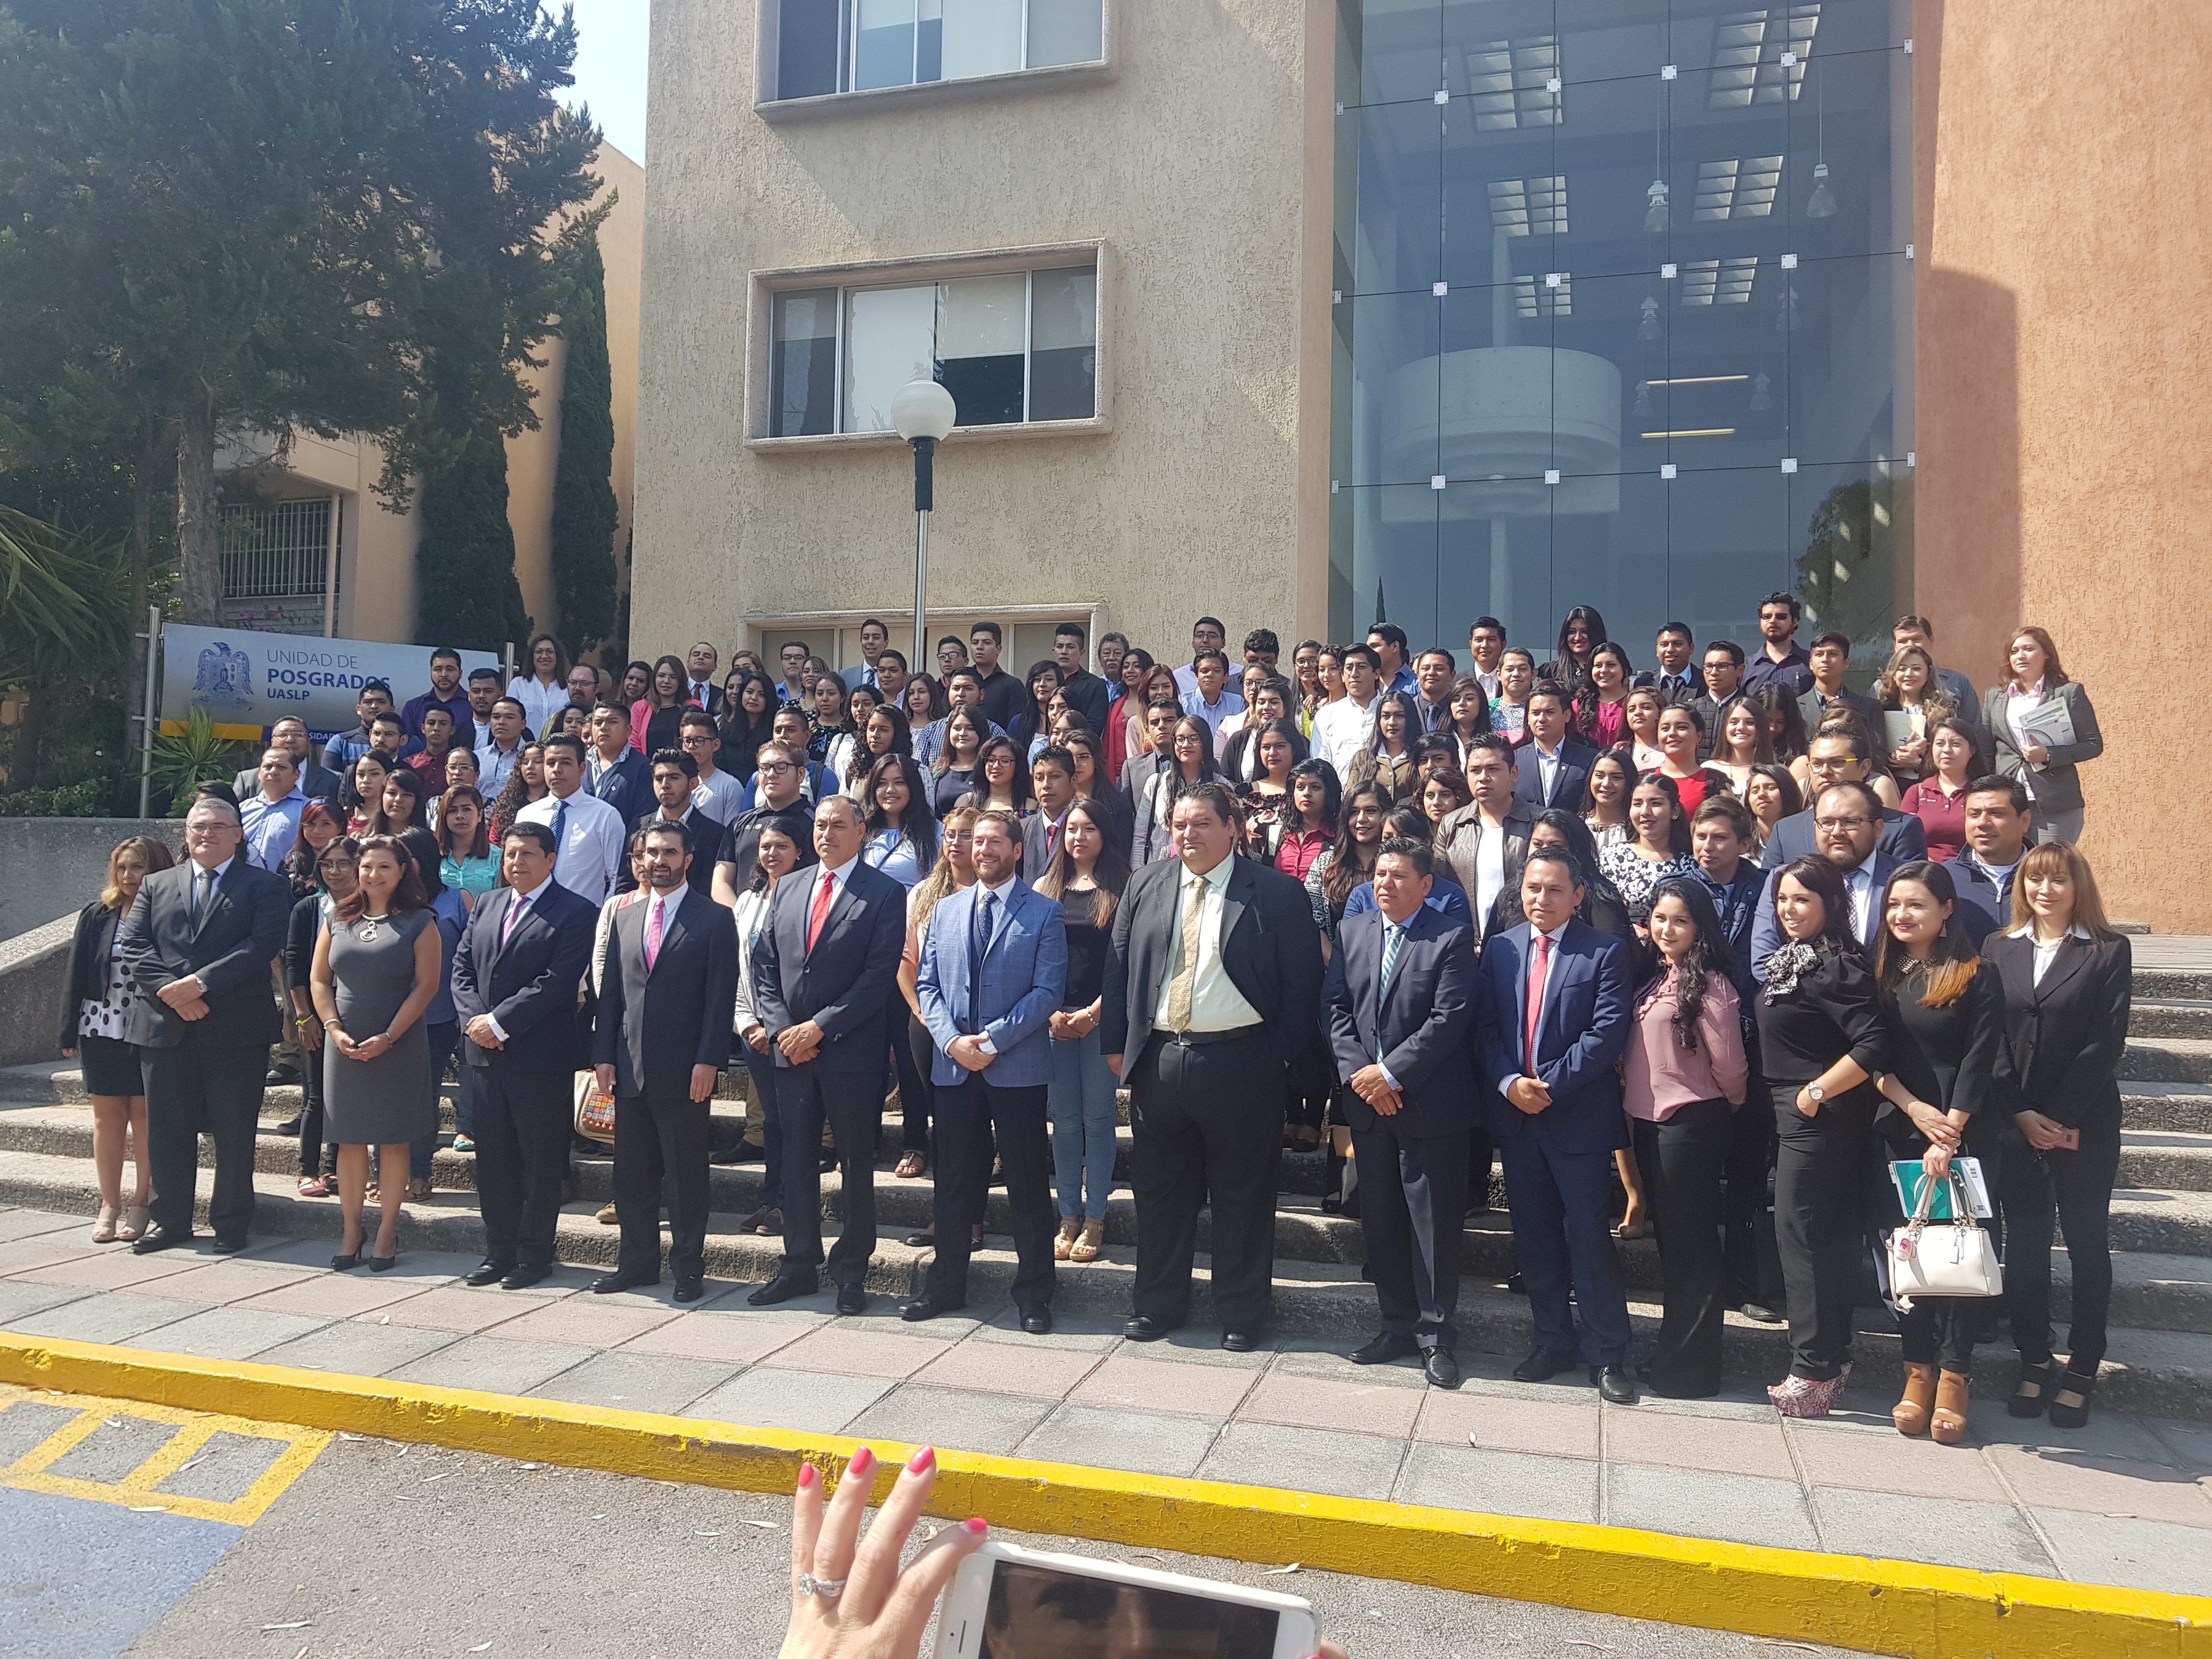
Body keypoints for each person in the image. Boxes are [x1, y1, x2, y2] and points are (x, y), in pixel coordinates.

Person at [1102, 781, 1323, 1348]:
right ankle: (1157, 1304)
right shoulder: (1147, 884)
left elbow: (1303, 988)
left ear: (1234, 828)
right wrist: (1116, 1046)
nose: (1188, 834)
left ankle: (1243, 1311)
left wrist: (1278, 1057)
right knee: (1159, 1192)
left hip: (1243, 1061)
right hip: (1161, 1059)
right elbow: (1119, 968)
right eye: (1179, 824)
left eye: (1201, 823)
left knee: (1243, 1195)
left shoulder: (1276, 894)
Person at [1473, 846, 1638, 1402]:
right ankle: (1551, 1340)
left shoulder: (1605, 953)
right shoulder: (1501, 949)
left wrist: (1548, 1085)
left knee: (1589, 1237)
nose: (1541, 899)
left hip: (1577, 1118)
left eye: (1553, 890)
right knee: (1535, 1236)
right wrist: (1508, 1084)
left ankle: (1608, 1352)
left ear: (1578, 896)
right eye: (1532, 888)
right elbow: (1486, 1028)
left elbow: (1606, 1034)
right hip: (1518, 1118)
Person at [904, 809, 1068, 1330]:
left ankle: (1036, 1292)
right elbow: (926, 985)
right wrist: (952, 1042)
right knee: (952, 1182)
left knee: (1025, 1183)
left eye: (996, 841)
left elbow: (1048, 993)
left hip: (1016, 1066)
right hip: (954, 1068)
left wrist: (993, 1040)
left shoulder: (1044, 913)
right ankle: (946, 1285)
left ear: (1018, 851)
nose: (984, 850)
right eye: (978, 842)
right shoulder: (946, 910)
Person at [1324, 836, 1477, 1387]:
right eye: (1379, 875)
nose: (1384, 884)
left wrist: (1391, 1075)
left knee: (1431, 1225)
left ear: (1425, 885)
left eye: (1397, 877)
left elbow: (1449, 1018)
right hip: (1369, 1106)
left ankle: (1436, 1336)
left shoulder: (1452, 938)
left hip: (1429, 1105)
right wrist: (1361, 1076)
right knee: (1382, 1219)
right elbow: (1336, 1009)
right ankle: (1394, 1323)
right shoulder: (1353, 931)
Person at [748, 794, 909, 1315]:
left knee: (855, 1165)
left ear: (861, 831)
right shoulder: (789, 885)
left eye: (838, 825)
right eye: (819, 825)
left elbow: (877, 976)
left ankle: (851, 1272)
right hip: (790, 1054)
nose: (826, 834)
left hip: (850, 1052)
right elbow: (764, 965)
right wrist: (782, 1030)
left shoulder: (883, 893)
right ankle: (797, 1265)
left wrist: (818, 1027)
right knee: (794, 1161)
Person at [1990, 842, 2131, 1431]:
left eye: (2058, 881)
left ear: (2079, 888)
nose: (2045, 891)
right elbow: (1989, 1036)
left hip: (2084, 1123)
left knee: (2085, 1243)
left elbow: (2107, 1042)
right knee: (2022, 1248)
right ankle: (2034, 1356)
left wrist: (2059, 1119)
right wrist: (2021, 1114)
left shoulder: (2106, 950)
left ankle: (2083, 1366)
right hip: (2016, 1123)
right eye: (2035, 880)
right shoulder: (2000, 948)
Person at [1866, 860, 2007, 1442]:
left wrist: (1947, 1132)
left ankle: (1954, 1377)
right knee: (1913, 1259)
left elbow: (1979, 1060)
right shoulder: (1884, 974)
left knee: (1958, 1259)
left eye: (1917, 904)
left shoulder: (1977, 974)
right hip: (1900, 1130)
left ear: (1947, 909)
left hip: (1963, 1136)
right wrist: (1914, 1110)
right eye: (1895, 904)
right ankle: (1916, 1371)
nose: (1902, 915)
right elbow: (1872, 1057)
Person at [115, 799, 291, 1255]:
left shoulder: (266, 885)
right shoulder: (156, 884)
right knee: (167, 1130)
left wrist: (200, 985)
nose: (206, 835)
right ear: (186, 834)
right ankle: (169, 1220)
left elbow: (263, 945)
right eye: (198, 827)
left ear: (238, 835)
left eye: (218, 827)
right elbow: (134, 944)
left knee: (234, 1132)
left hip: (235, 1030)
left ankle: (231, 1223)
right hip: (165, 1026)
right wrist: (172, 992)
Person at [1754, 855, 1888, 1417]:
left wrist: (1816, 1093)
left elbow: (1873, 1041)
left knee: (1801, 1234)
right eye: (1783, 899)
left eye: (1802, 899)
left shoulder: (1834, 964)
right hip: (1797, 1114)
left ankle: (1813, 1372)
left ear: (1831, 904)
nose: (1789, 909)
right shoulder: (1798, 961)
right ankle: (1830, 1359)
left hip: (1819, 1116)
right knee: (1821, 1237)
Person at [589, 821, 738, 1304]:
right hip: (629, 1068)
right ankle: (636, 1265)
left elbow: (720, 999)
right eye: (651, 852)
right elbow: (610, 995)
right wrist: (603, 1058)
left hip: (685, 1070)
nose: (659, 861)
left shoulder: (714, 919)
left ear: (688, 859)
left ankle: (689, 1269)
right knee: (630, 1175)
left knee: (685, 1175)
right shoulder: (625, 916)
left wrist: (709, 1061)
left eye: (669, 852)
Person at [450, 822, 597, 1289]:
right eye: (511, 855)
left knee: (539, 1160)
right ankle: (499, 1251)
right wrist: (477, 1021)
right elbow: (461, 969)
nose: (517, 863)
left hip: (540, 1056)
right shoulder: (489, 904)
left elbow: (557, 981)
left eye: (528, 855)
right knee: (493, 1160)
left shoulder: (576, 911)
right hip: (485, 1056)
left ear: (551, 860)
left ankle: (535, 1254)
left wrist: (500, 1022)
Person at [1623, 878, 1749, 1397]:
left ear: (1699, 927)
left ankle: (1692, 1372)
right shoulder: (1658, 978)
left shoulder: (1713, 987)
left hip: (1691, 1126)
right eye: (1659, 918)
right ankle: (1674, 1356)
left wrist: (1719, 1110)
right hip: (1651, 1125)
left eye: (1679, 920)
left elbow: (1733, 1070)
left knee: (1693, 1251)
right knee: (1675, 1248)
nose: (1666, 928)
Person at [311, 834, 441, 1271]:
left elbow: (427, 986)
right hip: (343, 1043)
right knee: (348, 1138)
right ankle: (352, 1228)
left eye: (384, 867)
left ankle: (387, 1228)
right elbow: (318, 980)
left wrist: (389, 1036)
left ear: (402, 872)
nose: (373, 875)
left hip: (397, 1043)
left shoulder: (420, 921)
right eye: (366, 867)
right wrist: (332, 1027)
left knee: (392, 1138)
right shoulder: (338, 917)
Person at [1689, 794, 1780, 1323]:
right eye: (1701, 836)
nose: (1708, 846)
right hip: (1691, 1045)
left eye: (1720, 837)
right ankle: (1698, 1282)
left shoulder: (1766, 887)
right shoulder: (1679, 887)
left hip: (1753, 1042)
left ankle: (1745, 1284)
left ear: (1745, 842)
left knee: (1747, 1174)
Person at [61, 836, 174, 1242]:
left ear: (157, 869)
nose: (129, 876)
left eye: (138, 867)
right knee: (107, 1118)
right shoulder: (98, 913)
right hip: (100, 1025)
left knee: (144, 1119)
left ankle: (142, 1203)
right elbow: (76, 973)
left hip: (149, 1027)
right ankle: (109, 1203)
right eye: (123, 867)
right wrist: (66, 1028)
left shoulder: (168, 911)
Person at [1035, 799, 1127, 1266]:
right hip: (1054, 1020)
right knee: (1065, 1122)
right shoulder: (1044, 888)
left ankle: (1096, 1216)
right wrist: (1051, 1010)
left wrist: (1095, 1013)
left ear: (1104, 834)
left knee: (1099, 1120)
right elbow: (1032, 960)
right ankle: (1067, 1213)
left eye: (1089, 828)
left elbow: (1127, 963)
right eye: (1072, 829)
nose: (1079, 837)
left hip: (1100, 1019)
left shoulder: (1123, 887)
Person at [1984, 625, 2102, 846]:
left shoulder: (2067, 693)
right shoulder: (1995, 697)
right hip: (2009, 803)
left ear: (2046, 654)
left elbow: (2093, 744)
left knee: (2049, 867)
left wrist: (2049, 755)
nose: (2020, 655)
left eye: (2028, 649)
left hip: (2053, 803)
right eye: (2014, 651)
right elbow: (1987, 750)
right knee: (2014, 869)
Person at [1759, 728, 1928, 871]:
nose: (1825, 771)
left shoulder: (1900, 829)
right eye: (1817, 764)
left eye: (1837, 763)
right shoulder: (1786, 830)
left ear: (1864, 768)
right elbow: (1769, 893)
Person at [1436, 734, 1534, 939]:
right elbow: (1440, 891)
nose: (1483, 777)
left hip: (1525, 941)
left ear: (1514, 773)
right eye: (1475, 770)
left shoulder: (1539, 823)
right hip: (1466, 944)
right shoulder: (1451, 825)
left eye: (1493, 769)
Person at [517, 732, 627, 905]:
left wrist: (604, 917)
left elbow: (617, 877)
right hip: (532, 914)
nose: (557, 770)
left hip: (583, 919)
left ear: (582, 769)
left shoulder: (605, 815)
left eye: (566, 763)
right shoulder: (527, 814)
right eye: (551, 763)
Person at [614, 748, 729, 899]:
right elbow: (625, 882)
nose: (665, 785)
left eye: (673, 777)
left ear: (693, 783)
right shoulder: (638, 826)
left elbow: (707, 888)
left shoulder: (713, 833)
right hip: (639, 915)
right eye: (659, 778)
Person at [714, 739, 816, 901]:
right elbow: (721, 882)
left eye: (781, 767)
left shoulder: (818, 823)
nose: (771, 774)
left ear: (801, 774)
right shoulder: (740, 824)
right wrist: (738, 919)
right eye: (764, 768)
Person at [1601, 772, 1697, 923]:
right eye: (1638, 804)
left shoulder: (1692, 863)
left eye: (1655, 803)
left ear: (1675, 811)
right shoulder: (1611, 857)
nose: (1645, 812)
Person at [1305, 782, 1388, 953]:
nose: (1361, 819)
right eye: (1354, 812)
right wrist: (1335, 961)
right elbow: (1311, 918)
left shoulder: (1396, 865)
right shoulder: (1325, 864)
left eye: (1371, 811)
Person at [1131, 715, 1217, 866]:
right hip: (1159, 869)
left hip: (1207, 868)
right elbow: (1140, 837)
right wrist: (1138, 875)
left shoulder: (1220, 786)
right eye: (1180, 739)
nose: (1186, 744)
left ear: (1205, 742)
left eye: (1194, 738)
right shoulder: (1156, 783)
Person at [1899, 716, 1981, 864]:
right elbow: (1905, 839)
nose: (1947, 750)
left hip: (1970, 872)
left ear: (1972, 751)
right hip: (1923, 871)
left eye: (1956, 744)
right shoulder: (1917, 792)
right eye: (1940, 744)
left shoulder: (1982, 793)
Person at [1876, 644, 1959, 784]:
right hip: (1889, 787)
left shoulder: (1944, 713)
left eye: (1916, 668)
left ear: (1928, 674)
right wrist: (1895, 758)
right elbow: (1872, 752)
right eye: (1902, 668)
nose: (1909, 674)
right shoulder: (1879, 709)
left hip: (1929, 786)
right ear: (1894, 674)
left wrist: (1919, 763)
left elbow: (1953, 755)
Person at [1796, 633, 1887, 758]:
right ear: (1811, 664)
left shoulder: (1869, 707)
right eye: (1819, 654)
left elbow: (1879, 754)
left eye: (1833, 654)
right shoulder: (1795, 707)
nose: (1825, 659)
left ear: (1846, 663)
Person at [1511, 683, 1598, 812]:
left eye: (1549, 712)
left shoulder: (1589, 759)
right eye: (1535, 713)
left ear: (1567, 716)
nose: (1541, 719)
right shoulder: (1514, 759)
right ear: (1528, 718)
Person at [1892, 614, 1979, 726]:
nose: (1911, 645)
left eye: (1917, 639)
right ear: (1895, 646)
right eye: (1903, 641)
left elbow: (1974, 730)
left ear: (1931, 641)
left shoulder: (1958, 682)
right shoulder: (1881, 688)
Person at [1311, 643, 1381, 775]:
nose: (1354, 674)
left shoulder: (1391, 711)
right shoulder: (1326, 716)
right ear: (1343, 676)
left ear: (1377, 673)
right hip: (1342, 794)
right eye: (1349, 668)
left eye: (1361, 667)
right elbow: (1321, 764)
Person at [238, 716, 343, 804]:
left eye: (298, 735)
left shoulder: (333, 780)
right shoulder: (248, 780)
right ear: (272, 743)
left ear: (309, 744)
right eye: (283, 735)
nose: (290, 740)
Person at [1345, 687, 1421, 804]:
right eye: (1386, 716)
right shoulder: (1363, 758)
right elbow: (1350, 802)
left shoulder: (1421, 757)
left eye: (1399, 716)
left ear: (1410, 719)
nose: (1392, 722)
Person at [239, 747, 309, 873]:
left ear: (296, 775)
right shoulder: (242, 809)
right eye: (268, 766)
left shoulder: (308, 809)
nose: (273, 771)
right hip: (241, 885)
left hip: (284, 886)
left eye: (281, 767)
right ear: (259, 774)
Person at [1651, 703, 1727, 815]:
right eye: (1665, 728)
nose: (1672, 733)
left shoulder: (1715, 782)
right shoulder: (1645, 778)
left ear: (1699, 736)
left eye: (1681, 727)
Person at [679, 709, 747, 826]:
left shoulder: (730, 786)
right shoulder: (673, 781)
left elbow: (730, 834)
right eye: (687, 741)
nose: (691, 747)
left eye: (699, 741)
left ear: (716, 745)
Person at [436, 785, 499, 908]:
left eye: (467, 809)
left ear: (480, 815)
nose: (460, 815)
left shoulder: (497, 856)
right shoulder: (432, 855)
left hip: (483, 924)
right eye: (452, 810)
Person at [1741, 591, 1814, 699]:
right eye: (1767, 617)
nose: (1773, 621)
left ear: (1795, 622)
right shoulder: (1746, 667)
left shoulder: (1811, 664)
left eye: (1781, 617)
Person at [586, 702, 651, 821]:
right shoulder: (579, 763)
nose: (603, 727)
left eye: (612, 722)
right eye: (598, 723)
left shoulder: (643, 767)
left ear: (628, 730)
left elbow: (643, 819)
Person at [320, 680, 402, 772]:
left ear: (393, 709)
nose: (374, 706)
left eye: (381, 702)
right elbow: (327, 780)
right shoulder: (340, 742)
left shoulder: (408, 743)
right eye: (368, 702)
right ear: (358, 709)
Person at [627, 654, 697, 758]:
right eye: (661, 676)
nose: (666, 681)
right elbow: (634, 744)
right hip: (647, 770)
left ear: (681, 681)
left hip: (683, 771)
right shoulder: (640, 708)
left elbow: (697, 742)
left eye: (673, 677)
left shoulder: (694, 706)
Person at [718, 670, 778, 784]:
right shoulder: (726, 730)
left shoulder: (775, 732)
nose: (754, 698)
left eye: (762, 694)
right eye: (750, 692)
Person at [1688, 641, 1747, 755]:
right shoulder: (1690, 710)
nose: (1714, 673)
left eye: (1722, 666)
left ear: (1740, 670)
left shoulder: (1751, 710)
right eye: (1708, 666)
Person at [967, 622, 1026, 735]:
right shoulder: (959, 684)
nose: (979, 647)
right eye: (975, 643)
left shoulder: (1012, 685)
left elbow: (1015, 727)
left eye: (986, 643)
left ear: (998, 649)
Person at [1575, 642, 1634, 751]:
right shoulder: (1577, 706)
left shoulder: (1635, 705)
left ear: (1624, 669)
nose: (1604, 671)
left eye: (1611, 665)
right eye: (1598, 666)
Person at [507, 635, 568, 740]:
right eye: (539, 652)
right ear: (532, 656)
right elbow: (509, 716)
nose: (544, 656)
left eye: (550, 652)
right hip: (525, 749)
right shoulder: (518, 685)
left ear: (558, 656)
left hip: (558, 750)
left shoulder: (569, 687)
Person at [1177, 648, 1244, 742]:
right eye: (1204, 671)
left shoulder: (1237, 702)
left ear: (1226, 677)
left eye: (1217, 671)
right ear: (1196, 676)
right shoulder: (1183, 703)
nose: (1210, 675)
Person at [1541, 606, 1605, 701]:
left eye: (1585, 632)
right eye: (1572, 632)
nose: (1577, 638)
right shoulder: (1550, 671)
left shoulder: (1605, 671)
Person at [488, 741, 547, 845]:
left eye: (538, 761)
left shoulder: (556, 801)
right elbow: (495, 839)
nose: (530, 767)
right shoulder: (508, 801)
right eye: (525, 762)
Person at [1709, 699, 1773, 795]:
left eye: (1749, 723)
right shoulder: (1709, 769)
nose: (1741, 727)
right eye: (1734, 722)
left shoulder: (1776, 772)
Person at [1748, 682, 1810, 772]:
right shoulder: (1743, 745)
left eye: (1780, 722)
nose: (1773, 728)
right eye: (1768, 721)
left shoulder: (1799, 750)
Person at [1744, 762, 1802, 854]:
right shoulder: (1741, 844)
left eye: (1770, 788)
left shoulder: (1807, 838)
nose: (1761, 794)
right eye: (1755, 791)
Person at [1582, 750, 1634, 849]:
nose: (1606, 784)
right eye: (1599, 776)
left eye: (1616, 778)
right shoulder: (1576, 825)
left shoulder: (1638, 829)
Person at [1169, 615, 1229, 697]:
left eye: (1212, 636)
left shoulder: (1239, 673)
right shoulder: (1178, 676)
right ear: (1193, 642)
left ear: (1223, 643)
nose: (1205, 640)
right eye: (1200, 636)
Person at [1646, 622, 1705, 703]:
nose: (1670, 650)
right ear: (1657, 650)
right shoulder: (1644, 683)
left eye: (1677, 644)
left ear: (1691, 648)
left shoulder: (1706, 681)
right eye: (1664, 645)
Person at [1618, 685, 1668, 773]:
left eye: (1646, 707)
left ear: (1661, 712)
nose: (1637, 712)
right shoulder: (1619, 749)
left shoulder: (1673, 749)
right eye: (1632, 710)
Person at [1468, 616, 1506, 701]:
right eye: (1479, 640)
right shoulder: (1457, 682)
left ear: (1503, 645)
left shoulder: (1512, 679)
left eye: (1491, 640)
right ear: (1470, 644)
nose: (1484, 645)